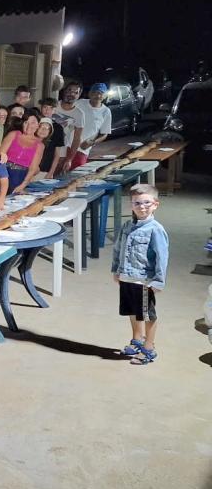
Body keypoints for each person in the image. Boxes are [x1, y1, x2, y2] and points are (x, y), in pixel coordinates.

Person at [111, 184, 168, 365]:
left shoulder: (156, 229)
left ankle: (149, 348)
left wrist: (158, 281)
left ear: (155, 204)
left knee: (147, 315)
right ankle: (137, 339)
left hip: (143, 280)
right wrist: (116, 269)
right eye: (137, 203)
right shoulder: (127, 226)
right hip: (127, 276)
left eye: (147, 203)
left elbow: (162, 257)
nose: (142, 206)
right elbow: (118, 248)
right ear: (131, 204)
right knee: (132, 311)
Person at [0, 115, 45, 194]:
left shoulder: (39, 145)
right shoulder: (13, 134)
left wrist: (23, 185)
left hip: (19, 176)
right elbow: (1, 154)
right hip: (4, 171)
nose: (29, 125)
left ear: (38, 125)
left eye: (33, 123)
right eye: (26, 122)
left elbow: (33, 168)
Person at [74, 83, 113, 169]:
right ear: (90, 93)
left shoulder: (106, 111)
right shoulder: (79, 103)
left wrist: (91, 143)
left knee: (76, 173)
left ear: (105, 96)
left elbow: (104, 134)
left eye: (101, 93)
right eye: (95, 92)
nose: (98, 95)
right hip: (68, 146)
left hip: (83, 149)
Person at [54, 80, 88, 172]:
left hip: (62, 151)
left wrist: (69, 159)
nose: (71, 94)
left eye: (75, 92)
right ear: (64, 91)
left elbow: (77, 138)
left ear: (78, 95)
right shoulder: (54, 106)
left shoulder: (79, 114)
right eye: (69, 90)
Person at [37, 98, 67, 176]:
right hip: (30, 168)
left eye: (51, 108)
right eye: (45, 107)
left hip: (46, 169)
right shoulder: (34, 124)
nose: (47, 110)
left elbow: (57, 154)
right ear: (41, 108)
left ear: (54, 110)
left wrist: (51, 172)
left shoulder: (58, 128)